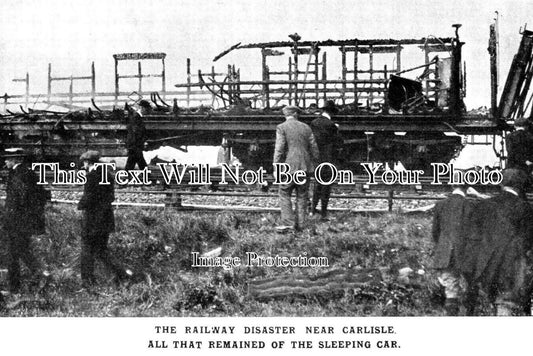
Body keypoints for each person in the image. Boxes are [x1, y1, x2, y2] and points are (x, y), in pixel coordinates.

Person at [471, 168, 533, 315]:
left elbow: (474, 236)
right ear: (520, 186)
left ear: (501, 184)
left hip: (487, 265)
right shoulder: (525, 208)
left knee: (494, 303)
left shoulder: (484, 205)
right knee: (506, 304)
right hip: (511, 267)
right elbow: (528, 240)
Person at [78, 150, 131, 288]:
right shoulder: (106, 175)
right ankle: (122, 274)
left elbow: (88, 197)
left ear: (87, 162)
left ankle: (87, 281)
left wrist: (80, 204)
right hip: (105, 219)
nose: (83, 166)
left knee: (87, 251)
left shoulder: (91, 175)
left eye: (84, 163)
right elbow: (110, 196)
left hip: (92, 220)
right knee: (101, 251)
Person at [2, 149, 49, 293]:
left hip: (17, 221)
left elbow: (19, 199)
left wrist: (9, 217)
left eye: (7, 159)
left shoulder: (19, 174)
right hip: (23, 222)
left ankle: (34, 277)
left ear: (15, 160)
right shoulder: (27, 173)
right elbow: (41, 195)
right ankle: (37, 275)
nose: (5, 161)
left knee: (14, 253)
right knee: (19, 251)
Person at [431, 183, 476, 315]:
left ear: (451, 186)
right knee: (470, 287)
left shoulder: (440, 205)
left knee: (450, 290)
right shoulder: (471, 206)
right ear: (467, 188)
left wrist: (442, 246)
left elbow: (435, 232)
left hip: (445, 252)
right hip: (466, 252)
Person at [273, 105, 319, 232]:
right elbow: (314, 148)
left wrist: (276, 165)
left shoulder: (281, 127)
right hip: (305, 166)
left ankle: (288, 224)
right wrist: (314, 163)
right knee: (302, 195)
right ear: (296, 114)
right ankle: (301, 225)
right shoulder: (306, 127)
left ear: (286, 115)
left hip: (290, 166)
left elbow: (279, 148)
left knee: (284, 192)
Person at [310, 100, 342, 220]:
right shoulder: (331, 125)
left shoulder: (314, 123)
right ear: (332, 112)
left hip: (317, 158)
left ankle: (312, 210)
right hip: (328, 159)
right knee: (326, 186)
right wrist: (337, 130)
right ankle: (323, 213)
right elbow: (337, 142)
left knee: (317, 184)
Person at [125, 100, 149, 170]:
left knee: (132, 162)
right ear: (142, 108)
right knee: (140, 162)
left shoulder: (136, 116)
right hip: (135, 144)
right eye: (146, 109)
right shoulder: (136, 117)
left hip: (134, 144)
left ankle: (126, 177)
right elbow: (136, 132)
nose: (147, 111)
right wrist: (142, 142)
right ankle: (148, 177)